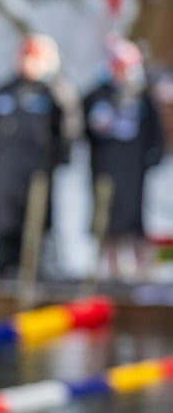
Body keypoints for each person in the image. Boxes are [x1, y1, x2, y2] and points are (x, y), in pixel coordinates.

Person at [0, 34, 76, 280]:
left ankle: (39, 267)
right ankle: (5, 267)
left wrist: (58, 158)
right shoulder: (3, 92)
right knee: (6, 220)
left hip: (39, 170)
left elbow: (68, 130)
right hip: (6, 171)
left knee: (38, 218)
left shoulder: (55, 94)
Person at [83, 35, 166, 282]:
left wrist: (155, 155)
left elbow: (155, 131)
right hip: (105, 168)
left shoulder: (143, 96)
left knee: (134, 217)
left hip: (134, 169)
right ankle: (109, 265)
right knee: (107, 219)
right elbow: (85, 129)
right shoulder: (98, 94)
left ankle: (142, 267)